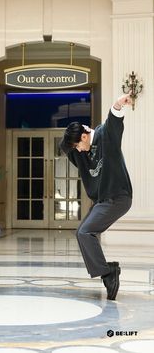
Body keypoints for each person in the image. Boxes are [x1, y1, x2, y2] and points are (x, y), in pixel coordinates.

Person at [60, 93, 133, 300]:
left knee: (85, 232)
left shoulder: (104, 136)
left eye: (77, 145)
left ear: (84, 136)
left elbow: (114, 122)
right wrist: (70, 140)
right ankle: (108, 272)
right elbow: (64, 147)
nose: (77, 150)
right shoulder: (80, 152)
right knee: (82, 233)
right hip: (102, 200)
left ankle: (109, 273)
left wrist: (118, 104)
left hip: (118, 196)